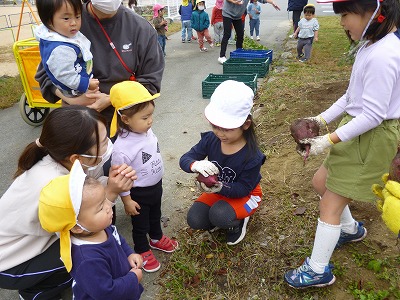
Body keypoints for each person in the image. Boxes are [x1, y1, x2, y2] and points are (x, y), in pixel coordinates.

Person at [284, 0, 400, 288]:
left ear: (372, 12)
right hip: (355, 129)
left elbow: (373, 115)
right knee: (320, 182)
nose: (342, 22)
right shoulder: (369, 46)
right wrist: (320, 121)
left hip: (371, 136)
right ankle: (349, 229)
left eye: (345, 15)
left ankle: (317, 270)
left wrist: (328, 140)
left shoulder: (384, 54)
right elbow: (351, 97)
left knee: (330, 205)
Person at [0, 106, 136, 300]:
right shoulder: (52, 184)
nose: (109, 146)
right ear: (77, 158)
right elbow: (82, 224)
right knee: (86, 254)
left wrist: (111, 182)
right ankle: (35, 293)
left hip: (34, 239)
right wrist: (112, 192)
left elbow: (89, 192)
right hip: (9, 262)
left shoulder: (65, 161)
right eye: (104, 142)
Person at [35, 0, 165, 129]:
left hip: (124, 125)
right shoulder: (66, 21)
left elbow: (151, 81)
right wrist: (72, 99)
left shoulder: (141, 29)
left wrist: (111, 99)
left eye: (76, 17)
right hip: (78, 122)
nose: (74, 21)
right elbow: (46, 73)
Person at [39, 160, 144, 299]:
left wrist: (129, 254)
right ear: (76, 227)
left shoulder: (100, 227)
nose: (109, 207)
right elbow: (106, 293)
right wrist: (133, 278)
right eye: (100, 207)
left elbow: (118, 240)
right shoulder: (87, 260)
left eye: (105, 200)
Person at [179, 80, 266, 245]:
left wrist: (219, 186)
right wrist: (195, 165)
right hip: (219, 191)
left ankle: (238, 222)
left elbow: (243, 188)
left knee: (220, 215)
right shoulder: (211, 139)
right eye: (215, 126)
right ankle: (222, 216)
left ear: (245, 124)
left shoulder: (252, 156)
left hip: (247, 195)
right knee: (195, 219)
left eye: (226, 128)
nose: (219, 133)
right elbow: (185, 159)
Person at [109, 81, 179, 273]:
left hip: (156, 186)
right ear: (125, 119)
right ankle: (142, 249)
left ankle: (156, 238)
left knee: (155, 215)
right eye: (145, 117)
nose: (150, 121)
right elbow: (120, 179)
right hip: (138, 193)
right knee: (140, 225)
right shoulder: (122, 148)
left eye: (151, 116)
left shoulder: (146, 131)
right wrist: (127, 201)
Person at [34, 0, 99, 98]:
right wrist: (86, 84)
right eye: (66, 18)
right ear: (48, 20)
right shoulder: (60, 49)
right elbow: (65, 75)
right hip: (74, 90)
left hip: (79, 80)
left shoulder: (63, 34)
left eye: (77, 17)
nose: (73, 23)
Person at [218, 0, 280, 64]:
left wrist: (272, 2)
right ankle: (221, 56)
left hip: (238, 16)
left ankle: (239, 53)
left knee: (240, 34)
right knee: (227, 34)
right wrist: (234, 2)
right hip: (227, 13)